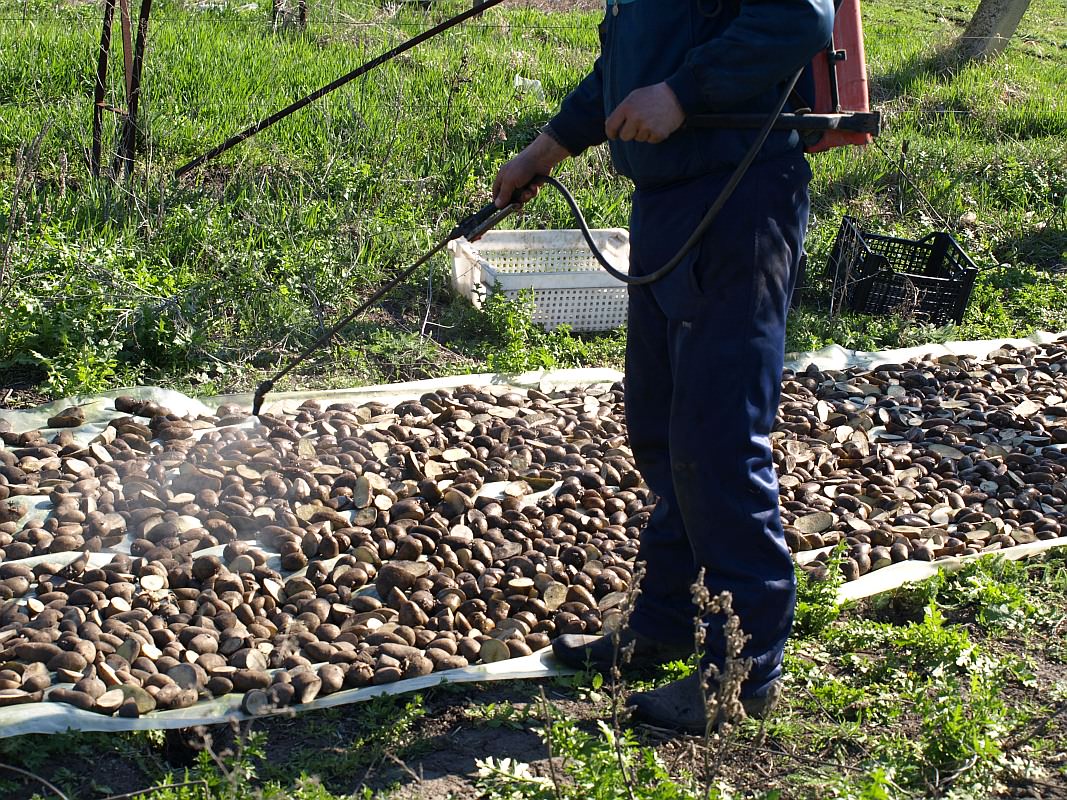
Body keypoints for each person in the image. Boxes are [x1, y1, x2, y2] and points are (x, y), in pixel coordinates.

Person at [492, 0, 836, 734]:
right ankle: (667, 622)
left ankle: (740, 673)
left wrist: (682, 93)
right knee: (659, 427)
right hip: (665, 204)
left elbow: (800, 18)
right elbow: (624, 70)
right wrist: (544, 150)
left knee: (716, 439)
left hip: (740, 198)